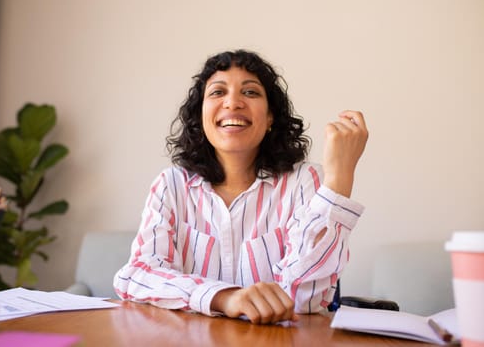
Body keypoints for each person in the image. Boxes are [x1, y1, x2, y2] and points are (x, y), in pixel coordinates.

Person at [113, 49, 369, 325]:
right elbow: (137, 276)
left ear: (270, 117)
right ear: (201, 116)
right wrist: (224, 297)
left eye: (250, 92)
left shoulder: (304, 181)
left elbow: (306, 299)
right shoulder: (171, 185)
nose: (232, 102)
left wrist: (339, 180)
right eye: (217, 92)